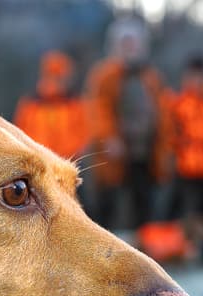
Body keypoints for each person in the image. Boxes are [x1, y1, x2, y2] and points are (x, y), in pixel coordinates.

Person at [84, 16, 170, 230]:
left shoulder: (152, 77)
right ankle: (102, 255)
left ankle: (146, 255)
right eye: (125, 43)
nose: (130, 48)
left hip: (145, 152)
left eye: (134, 43)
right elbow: (97, 110)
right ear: (114, 45)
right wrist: (109, 138)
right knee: (106, 206)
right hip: (112, 153)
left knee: (145, 205)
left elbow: (163, 112)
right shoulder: (103, 75)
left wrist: (165, 145)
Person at [166, 55, 203, 258]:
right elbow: (170, 133)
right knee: (183, 212)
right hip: (184, 167)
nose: (197, 80)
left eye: (201, 75)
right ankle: (177, 251)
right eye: (193, 75)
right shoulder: (179, 103)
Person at [13, 51, 89, 160]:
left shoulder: (75, 103)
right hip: (52, 162)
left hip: (51, 162)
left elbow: (84, 135)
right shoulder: (30, 104)